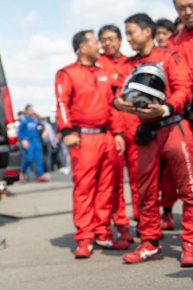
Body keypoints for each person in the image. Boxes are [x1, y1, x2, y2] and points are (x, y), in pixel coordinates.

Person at [114, 13, 193, 266]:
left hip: (174, 126)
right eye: (127, 34)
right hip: (146, 132)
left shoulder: (170, 56)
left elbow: (183, 88)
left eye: (131, 33)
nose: (127, 38)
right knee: (145, 192)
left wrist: (164, 109)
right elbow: (118, 96)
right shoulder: (127, 64)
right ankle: (149, 242)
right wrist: (125, 106)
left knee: (190, 189)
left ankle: (192, 244)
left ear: (147, 31)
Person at [55, 30, 129, 258]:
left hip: (106, 136)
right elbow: (61, 102)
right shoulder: (67, 73)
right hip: (83, 138)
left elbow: (113, 105)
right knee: (85, 187)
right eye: (95, 42)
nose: (100, 46)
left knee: (106, 187)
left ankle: (102, 231)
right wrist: (66, 130)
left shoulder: (104, 72)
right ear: (82, 48)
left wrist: (117, 133)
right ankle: (85, 237)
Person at [98, 24, 139, 237]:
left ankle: (143, 220)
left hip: (135, 126)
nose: (108, 43)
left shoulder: (131, 64)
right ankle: (121, 222)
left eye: (112, 38)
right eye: (104, 39)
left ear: (120, 40)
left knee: (139, 178)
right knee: (114, 181)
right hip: (114, 131)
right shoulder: (97, 66)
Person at [165, 0, 193, 231]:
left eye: (192, 6)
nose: (187, 12)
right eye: (181, 8)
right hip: (189, 118)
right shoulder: (172, 43)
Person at [18, 105, 48, 182]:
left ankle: (39, 175)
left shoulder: (35, 120)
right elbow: (20, 131)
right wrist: (23, 140)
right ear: (26, 111)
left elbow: (40, 129)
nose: (32, 111)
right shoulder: (23, 120)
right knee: (29, 158)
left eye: (32, 110)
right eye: (30, 110)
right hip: (28, 141)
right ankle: (22, 171)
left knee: (39, 158)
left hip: (36, 141)